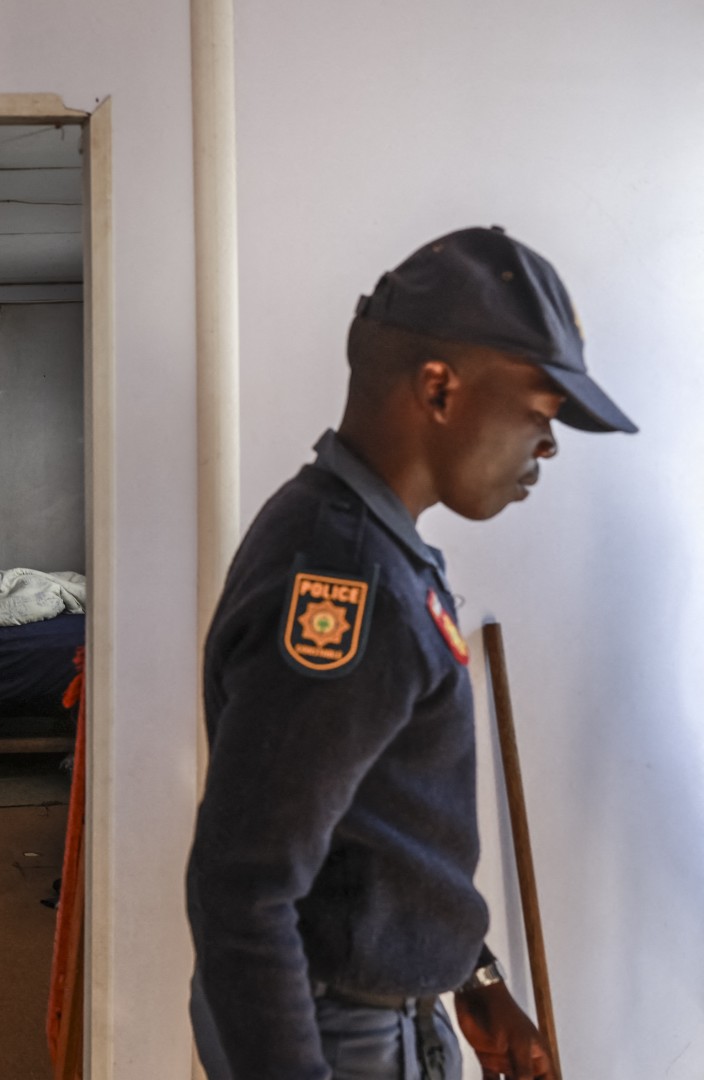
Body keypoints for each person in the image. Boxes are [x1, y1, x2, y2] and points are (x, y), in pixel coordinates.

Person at [186, 227, 635, 1080]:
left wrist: (473, 977)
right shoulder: (350, 581)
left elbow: (378, 829)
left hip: (361, 1006)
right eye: (539, 414)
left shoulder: (360, 541)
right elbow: (240, 888)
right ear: (439, 390)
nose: (548, 447)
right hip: (341, 1031)